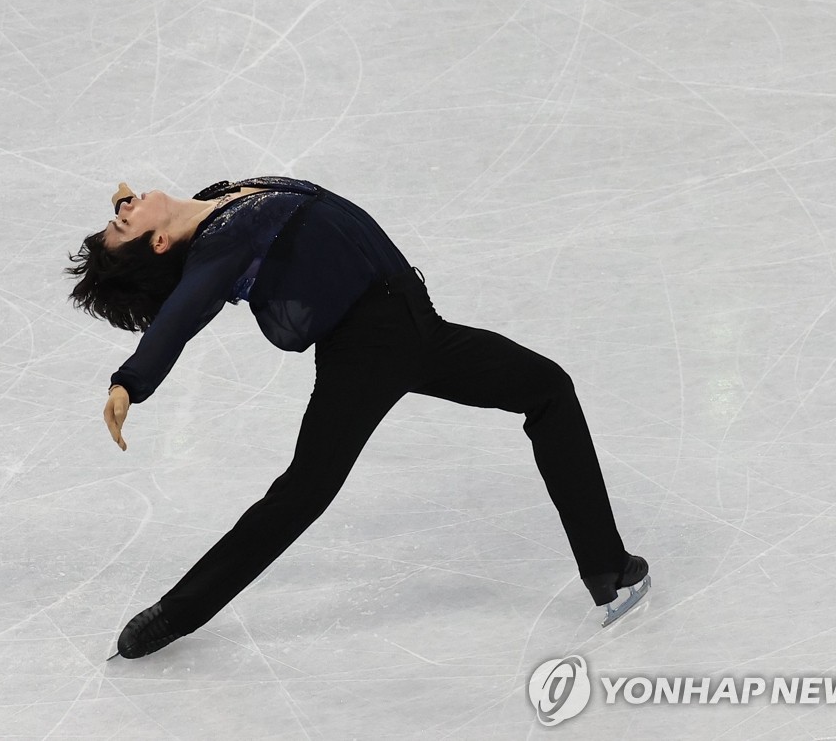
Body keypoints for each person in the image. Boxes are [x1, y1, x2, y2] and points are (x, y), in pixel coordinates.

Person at [66, 176, 650, 660]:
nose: (129, 204)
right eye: (126, 220)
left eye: (123, 210)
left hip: (419, 329)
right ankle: (176, 614)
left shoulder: (217, 198)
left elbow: (157, 235)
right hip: (369, 348)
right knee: (303, 491)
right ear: (161, 242)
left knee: (548, 389)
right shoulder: (221, 245)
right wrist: (131, 382)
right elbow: (184, 311)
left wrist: (125, 213)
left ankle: (608, 571)